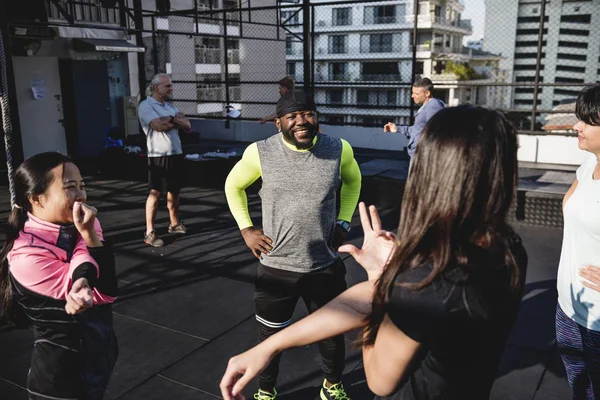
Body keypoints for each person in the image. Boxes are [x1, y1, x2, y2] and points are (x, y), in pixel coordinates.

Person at [220, 106, 528, 400]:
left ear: (430, 172)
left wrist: (381, 278)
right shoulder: (506, 247)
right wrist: (270, 346)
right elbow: (363, 303)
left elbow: (380, 380)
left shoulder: (434, 276)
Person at [224, 90, 362, 400]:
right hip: (277, 267)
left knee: (331, 331)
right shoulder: (260, 153)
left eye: (308, 114)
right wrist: (246, 229)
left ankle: (332, 386)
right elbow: (233, 186)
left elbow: (353, 181)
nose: (301, 121)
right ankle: (266, 391)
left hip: (323, 264)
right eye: (292, 117)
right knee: (269, 337)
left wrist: (343, 220)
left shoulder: (339, 150)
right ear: (278, 123)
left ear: (317, 117)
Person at [0, 152, 118, 400]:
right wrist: (84, 274)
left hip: (96, 364)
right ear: (36, 199)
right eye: (69, 187)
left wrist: (82, 276)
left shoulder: (84, 224)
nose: (81, 195)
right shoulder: (25, 257)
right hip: (60, 382)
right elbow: (104, 293)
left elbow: (82, 249)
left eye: (82, 186)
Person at [554, 83, 600, 399]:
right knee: (580, 390)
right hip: (568, 306)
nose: (576, 126)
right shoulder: (590, 163)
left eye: (586, 120)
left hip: (598, 320)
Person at [138, 73, 191, 247]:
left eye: (170, 85)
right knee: (155, 192)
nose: (171, 88)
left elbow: (188, 126)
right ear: (156, 88)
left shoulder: (169, 107)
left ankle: (174, 224)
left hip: (175, 153)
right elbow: (158, 126)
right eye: (167, 86)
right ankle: (149, 232)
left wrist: (171, 120)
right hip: (158, 156)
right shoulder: (146, 106)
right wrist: (175, 120)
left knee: (174, 191)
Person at [383, 77, 445, 160]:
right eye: (413, 93)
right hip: (418, 156)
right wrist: (397, 129)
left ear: (427, 93)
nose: (412, 96)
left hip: (422, 158)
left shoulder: (433, 107)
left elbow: (437, 133)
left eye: (416, 94)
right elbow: (418, 130)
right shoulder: (427, 106)